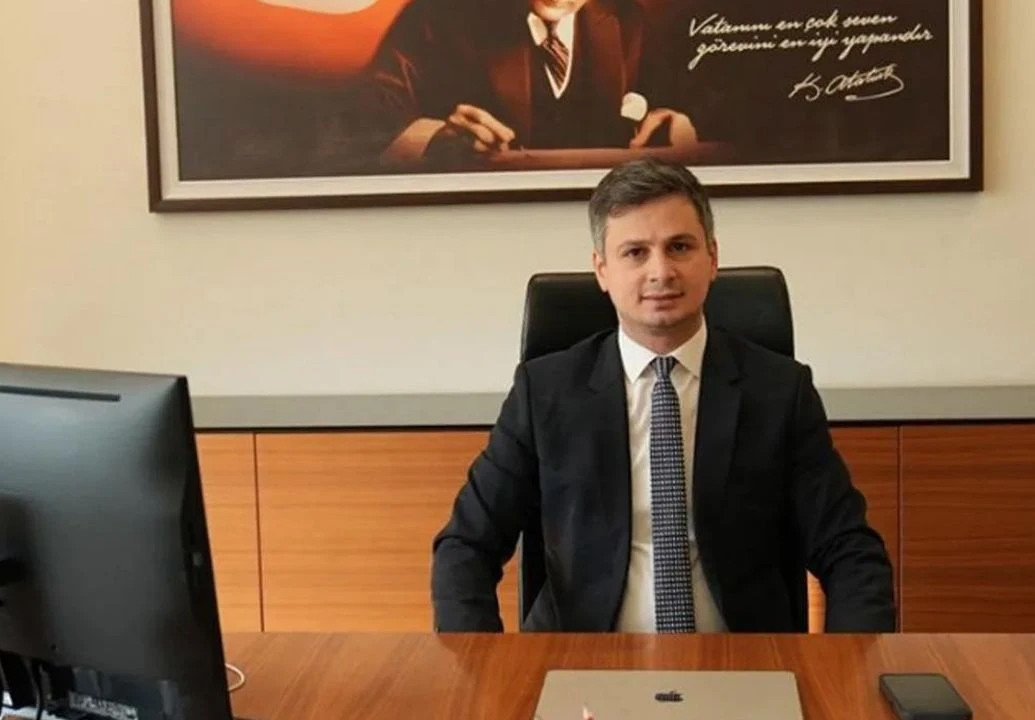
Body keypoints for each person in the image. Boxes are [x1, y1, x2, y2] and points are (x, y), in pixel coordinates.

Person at [431, 159, 895, 633]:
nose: (661, 271)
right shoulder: (545, 393)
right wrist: (485, 667)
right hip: (583, 662)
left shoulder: (778, 391)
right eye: (635, 252)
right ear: (602, 270)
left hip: (742, 662)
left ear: (712, 258)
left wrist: (845, 668)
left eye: (679, 247)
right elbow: (466, 546)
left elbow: (849, 550)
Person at [358, 0, 698, 164]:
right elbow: (359, 129)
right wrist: (434, 138)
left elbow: (672, 104)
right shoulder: (438, 15)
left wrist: (678, 129)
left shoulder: (626, 19)